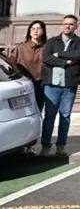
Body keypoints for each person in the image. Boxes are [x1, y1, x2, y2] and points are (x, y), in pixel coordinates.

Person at [40, 15, 80, 157]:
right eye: (65, 24)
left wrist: (58, 54)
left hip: (69, 84)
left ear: (76, 26)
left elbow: (78, 56)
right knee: (49, 116)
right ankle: (46, 146)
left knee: (65, 115)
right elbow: (46, 58)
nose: (68, 26)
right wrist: (65, 62)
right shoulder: (52, 41)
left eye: (71, 24)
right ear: (61, 25)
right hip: (52, 85)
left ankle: (61, 147)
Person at [8, 20, 47, 154]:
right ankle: (21, 143)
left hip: (41, 84)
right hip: (25, 85)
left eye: (39, 29)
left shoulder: (47, 47)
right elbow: (11, 66)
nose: (36, 31)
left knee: (37, 113)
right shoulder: (20, 48)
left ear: (43, 31)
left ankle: (31, 143)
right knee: (23, 115)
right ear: (29, 32)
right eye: (33, 29)